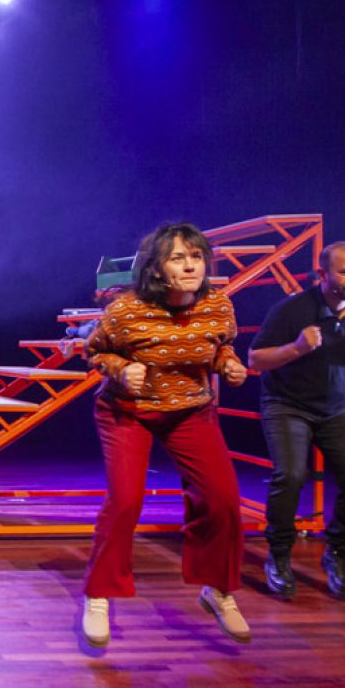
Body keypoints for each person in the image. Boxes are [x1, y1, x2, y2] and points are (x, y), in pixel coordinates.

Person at [81, 222, 251, 647]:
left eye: (196, 257)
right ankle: (99, 593)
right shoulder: (126, 310)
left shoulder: (218, 306)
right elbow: (94, 351)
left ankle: (217, 590)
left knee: (223, 500)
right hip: (128, 411)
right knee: (125, 501)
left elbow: (220, 345)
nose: (190, 266)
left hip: (190, 410)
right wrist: (121, 369)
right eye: (178, 258)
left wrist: (227, 365)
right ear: (157, 268)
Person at [250, 241, 345, 602]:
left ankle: (338, 554)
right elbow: (255, 359)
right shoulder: (292, 309)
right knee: (291, 476)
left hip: (339, 408)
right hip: (288, 404)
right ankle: (279, 556)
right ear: (322, 274)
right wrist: (297, 348)